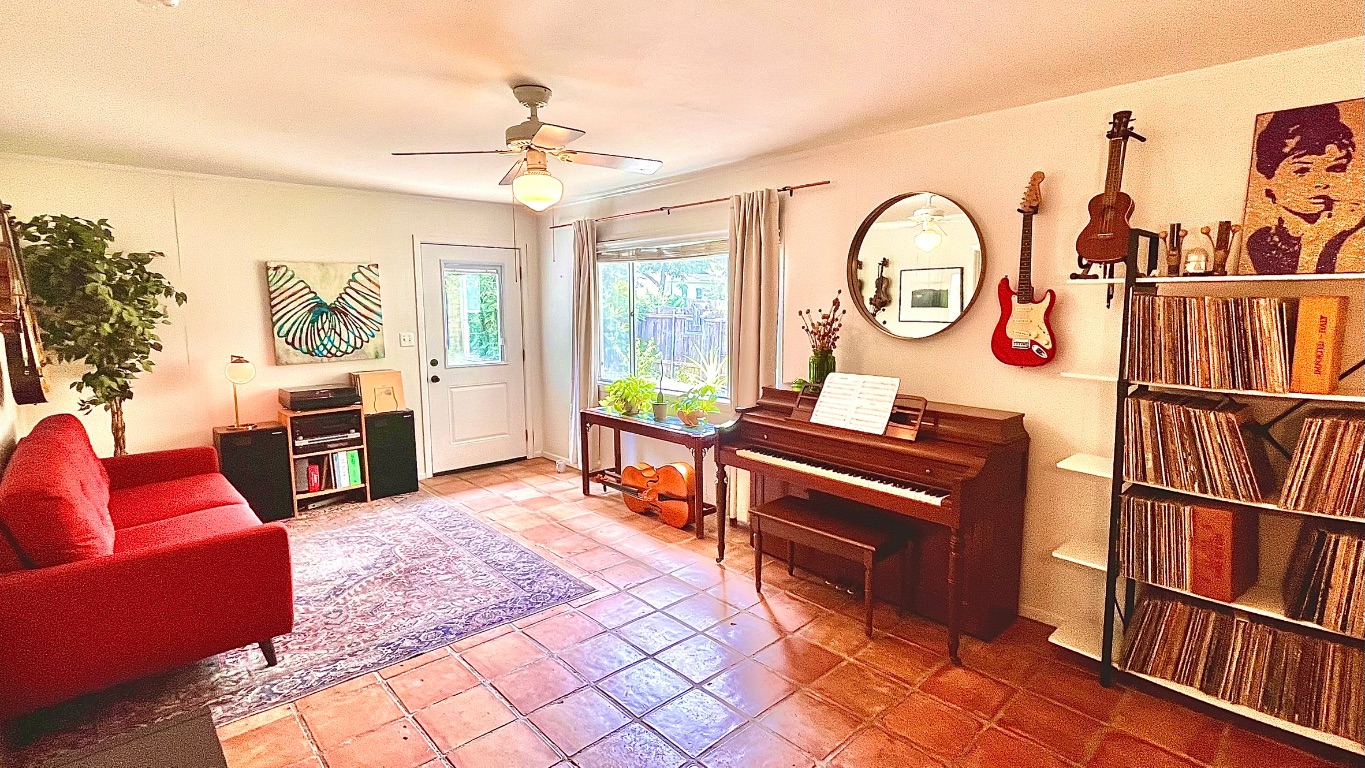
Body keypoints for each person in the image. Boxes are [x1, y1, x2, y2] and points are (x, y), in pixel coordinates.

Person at [1244, 101, 1363, 274]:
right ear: (1269, 185)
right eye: (1302, 170)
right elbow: (1302, 284)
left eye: (1335, 169)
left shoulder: (1355, 238)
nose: (1322, 181)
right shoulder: (1261, 242)